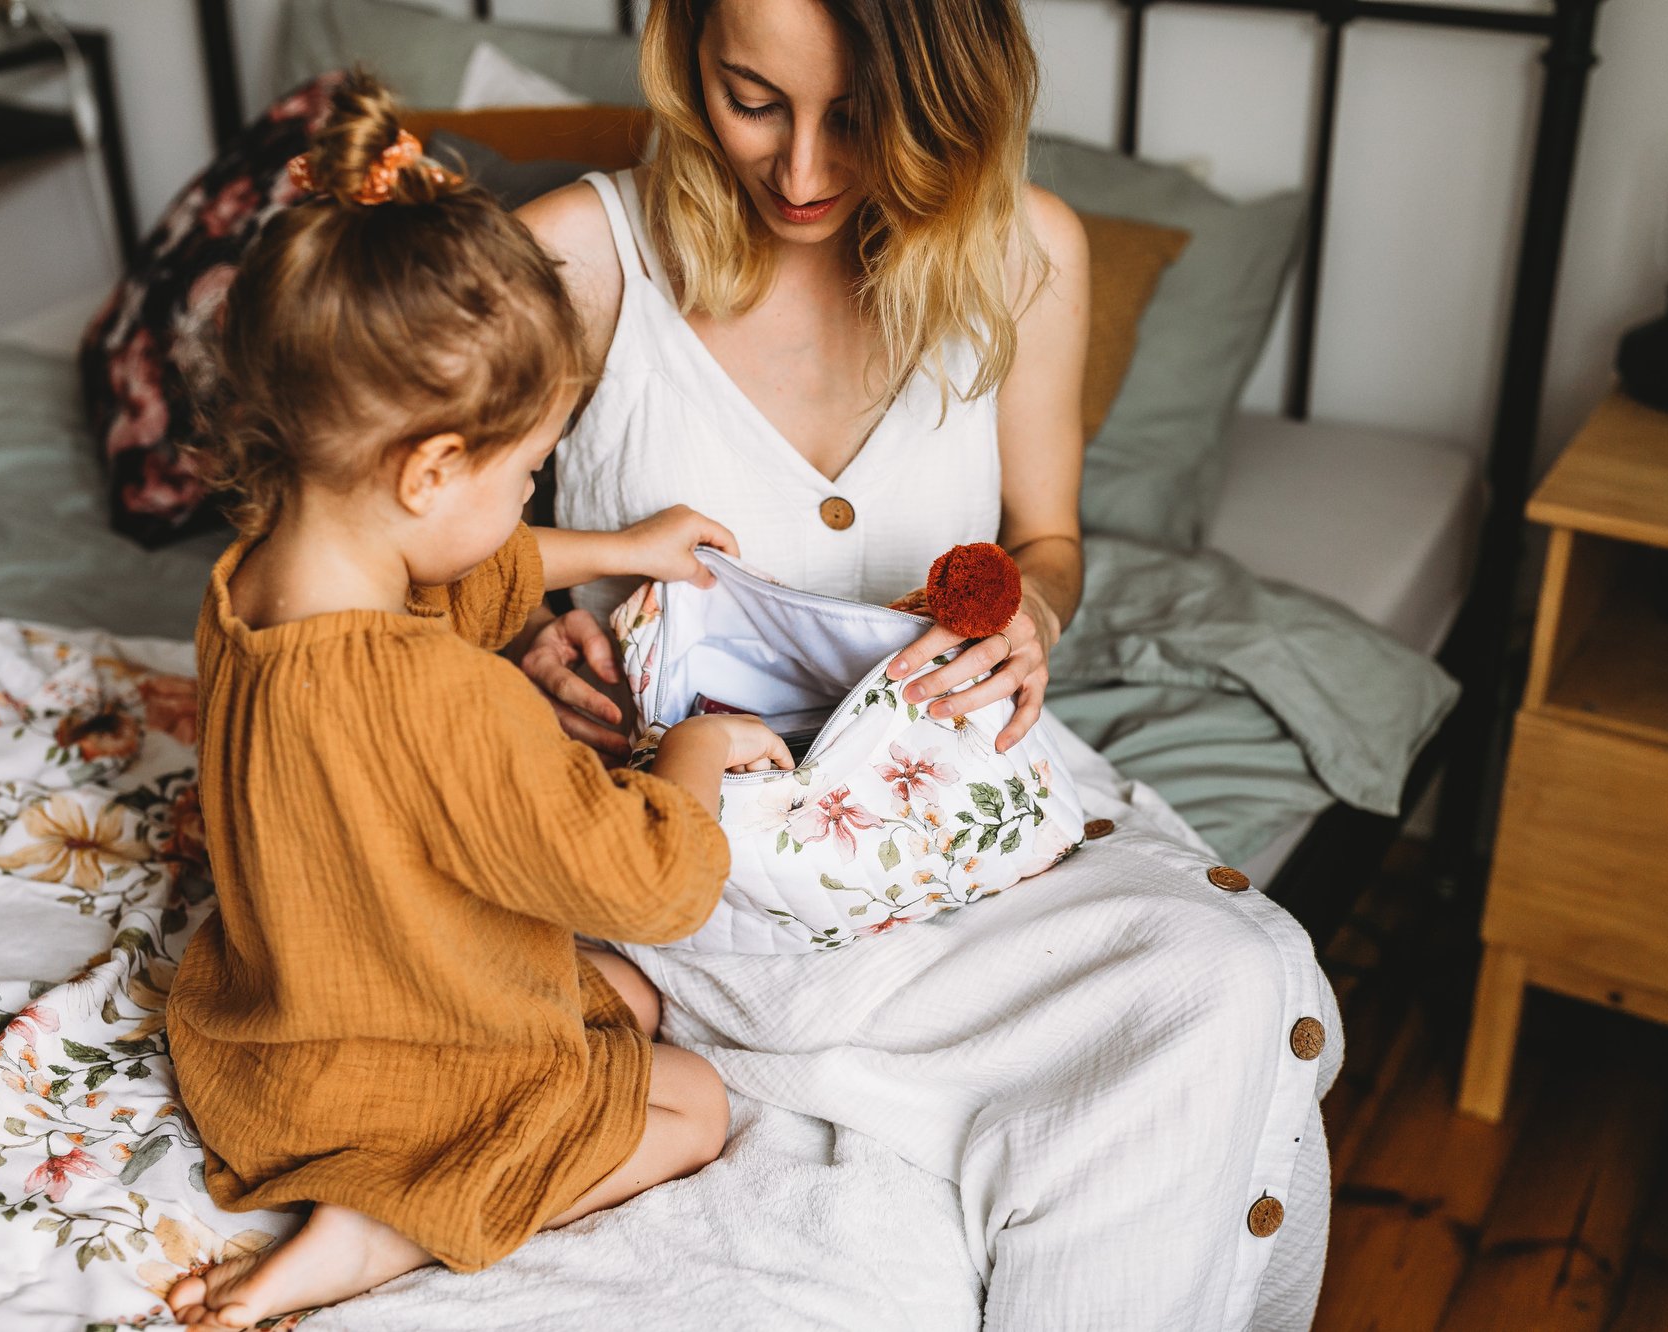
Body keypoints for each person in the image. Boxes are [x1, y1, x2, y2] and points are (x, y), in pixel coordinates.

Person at [515, 1, 1343, 1326]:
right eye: (754, 99)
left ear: (950, 97)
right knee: (1177, 1026)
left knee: (1230, 974)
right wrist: (527, 642)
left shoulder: (1026, 255)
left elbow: (1049, 541)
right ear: (683, 63)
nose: (800, 173)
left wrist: (1032, 617)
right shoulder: (577, 257)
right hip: (679, 831)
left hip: (946, 800)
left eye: (857, 118)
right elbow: (410, 541)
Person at [163, 76, 790, 1331]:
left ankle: (373, 1193)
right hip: (405, 1084)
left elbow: (456, 567)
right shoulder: (450, 701)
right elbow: (647, 884)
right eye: (527, 476)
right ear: (434, 467)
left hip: (263, 1048)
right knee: (691, 1098)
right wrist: (701, 749)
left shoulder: (249, 590)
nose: (531, 502)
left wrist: (620, 544)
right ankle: (385, 1226)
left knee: (622, 997)